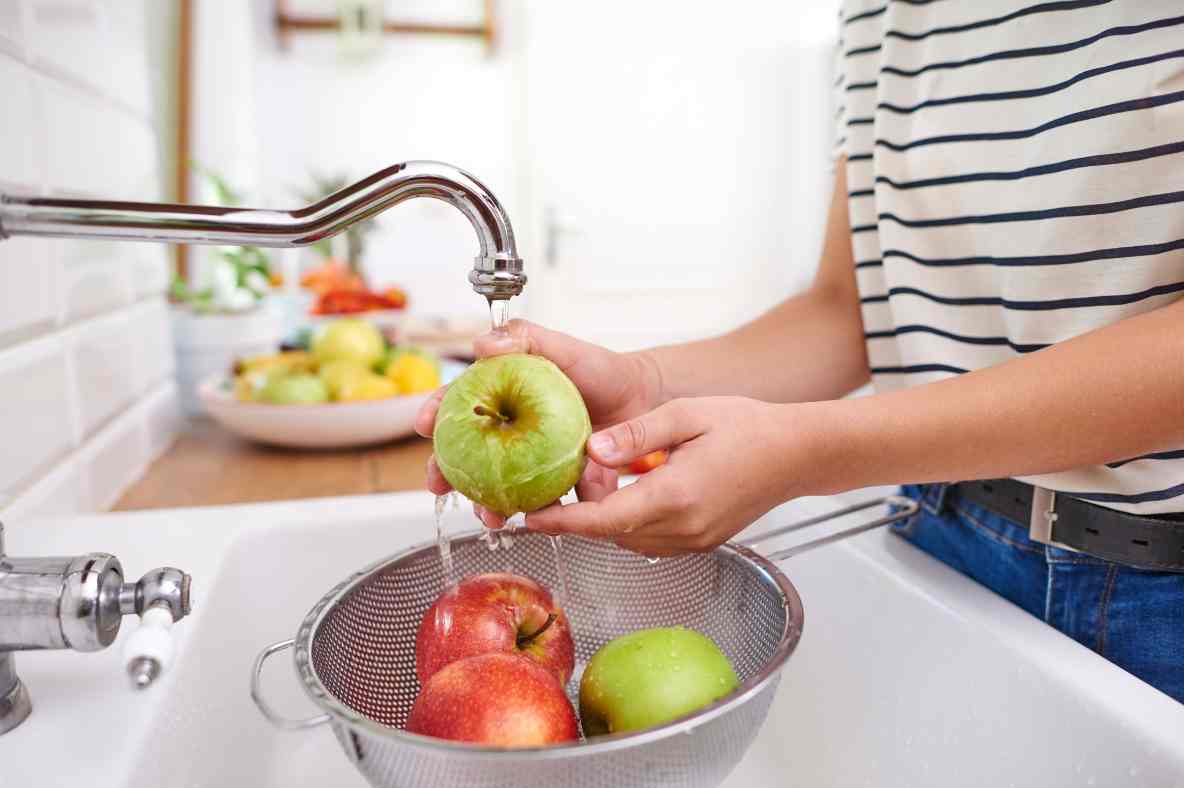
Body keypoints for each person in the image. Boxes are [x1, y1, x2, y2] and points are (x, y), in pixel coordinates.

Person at [417, 2, 1184, 703]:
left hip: (1157, 595)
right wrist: (643, 384)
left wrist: (812, 453)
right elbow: (849, 312)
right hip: (943, 533)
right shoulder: (882, 11)